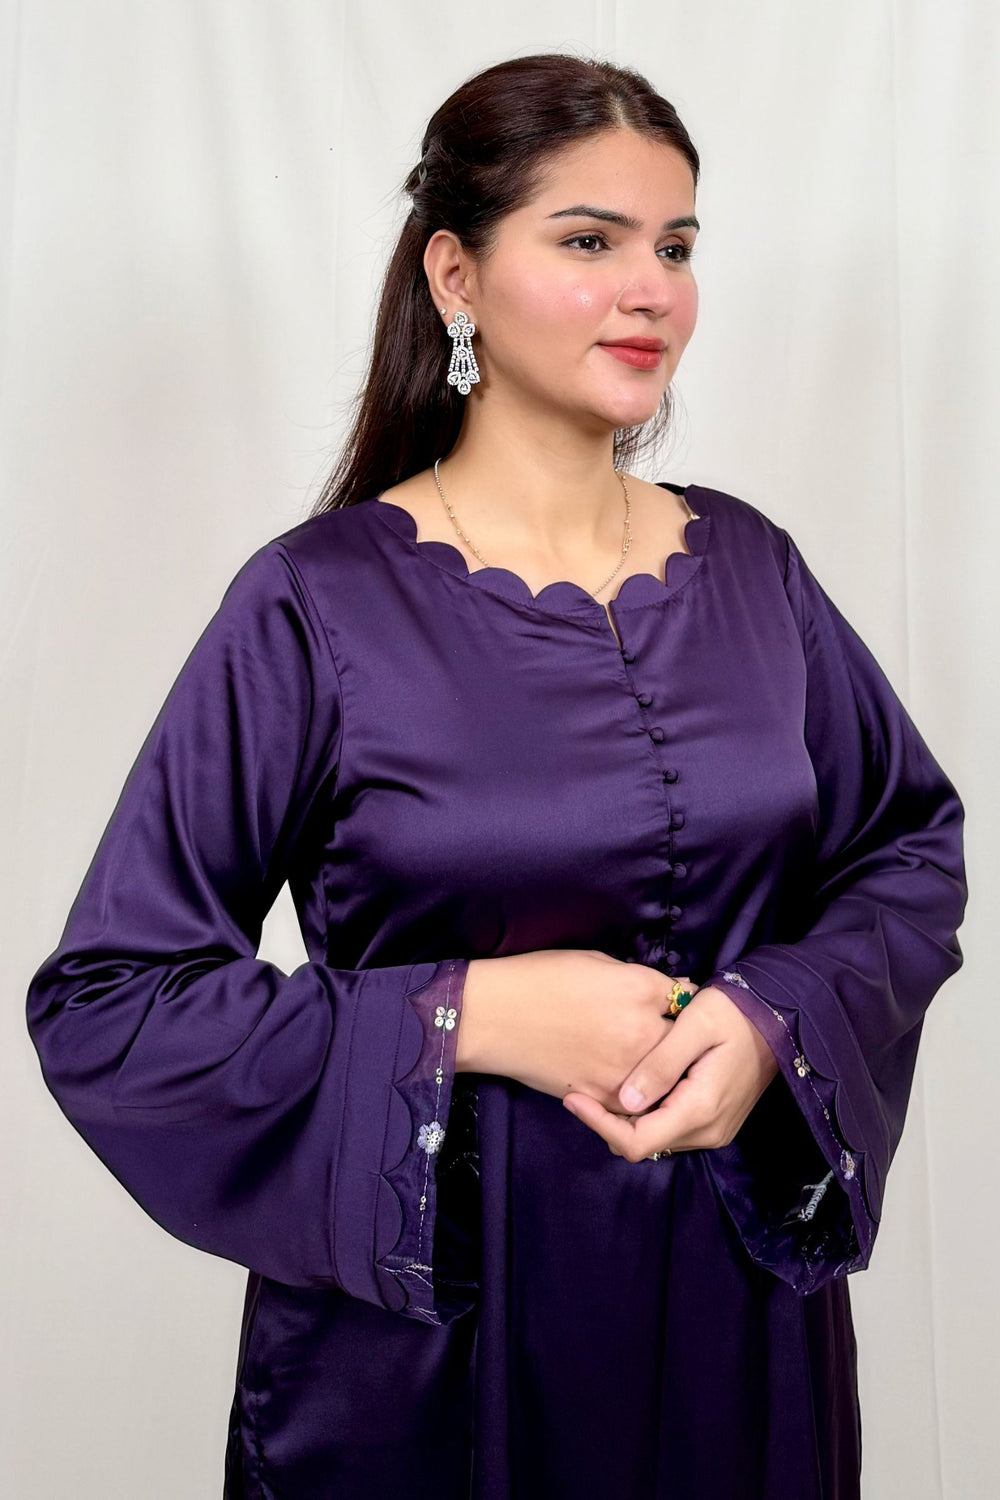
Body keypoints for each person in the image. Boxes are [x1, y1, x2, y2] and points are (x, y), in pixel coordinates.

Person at [24, 51, 967, 1500]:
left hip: (737, 1334)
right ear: (455, 276)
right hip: (432, 1362)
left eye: (677, 247)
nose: (650, 290)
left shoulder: (755, 570)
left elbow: (907, 851)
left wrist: (772, 1016)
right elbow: (113, 1001)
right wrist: (466, 1017)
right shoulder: (316, 606)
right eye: (589, 241)